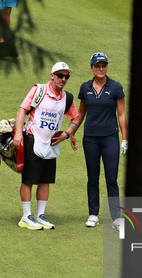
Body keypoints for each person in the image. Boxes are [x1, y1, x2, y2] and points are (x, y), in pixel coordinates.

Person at [13, 62, 79, 230]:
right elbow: (22, 110)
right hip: (33, 138)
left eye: (66, 76)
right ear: (52, 75)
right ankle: (26, 216)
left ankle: (39, 215)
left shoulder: (67, 98)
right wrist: (19, 133)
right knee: (29, 179)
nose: (63, 79)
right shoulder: (39, 90)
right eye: (60, 75)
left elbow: (75, 118)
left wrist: (68, 134)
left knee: (45, 180)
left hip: (51, 143)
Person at [68, 52, 128, 230]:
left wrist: (125, 139)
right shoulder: (85, 88)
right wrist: (71, 132)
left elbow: (122, 114)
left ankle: (116, 218)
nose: (101, 69)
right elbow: (81, 114)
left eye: (103, 65)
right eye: (97, 66)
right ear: (91, 68)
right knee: (92, 177)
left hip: (110, 138)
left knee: (111, 178)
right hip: (91, 139)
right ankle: (93, 214)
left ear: (106, 67)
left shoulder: (116, 87)